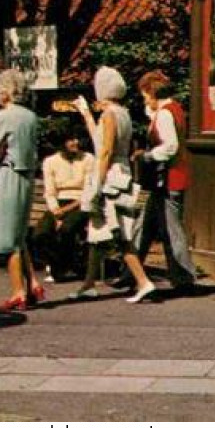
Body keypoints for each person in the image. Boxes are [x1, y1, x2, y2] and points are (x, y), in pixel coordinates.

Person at [71, 66, 156, 304]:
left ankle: (143, 281)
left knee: (118, 233)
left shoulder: (108, 115)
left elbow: (105, 151)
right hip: (122, 173)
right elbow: (104, 145)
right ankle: (88, 284)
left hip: (109, 177)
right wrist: (87, 115)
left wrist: (97, 184)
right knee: (98, 232)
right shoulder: (122, 113)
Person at [129, 70, 198, 294]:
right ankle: (130, 271)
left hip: (169, 178)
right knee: (145, 225)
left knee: (171, 230)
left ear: (151, 92)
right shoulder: (172, 109)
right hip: (170, 178)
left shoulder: (166, 114)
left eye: (144, 95)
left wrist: (147, 156)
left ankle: (184, 277)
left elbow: (170, 146)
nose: (144, 100)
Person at [0, 69, 45, 312]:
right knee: (20, 233)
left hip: (8, 173)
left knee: (8, 237)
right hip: (28, 175)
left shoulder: (4, 116)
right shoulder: (31, 117)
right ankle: (33, 283)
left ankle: (18, 291)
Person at [31, 124, 94, 282]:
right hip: (58, 204)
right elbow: (50, 191)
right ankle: (56, 263)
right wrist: (56, 211)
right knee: (40, 233)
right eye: (71, 140)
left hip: (80, 203)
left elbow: (88, 191)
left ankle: (61, 268)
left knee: (67, 229)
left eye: (77, 139)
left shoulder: (88, 159)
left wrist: (65, 212)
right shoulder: (50, 162)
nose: (75, 142)